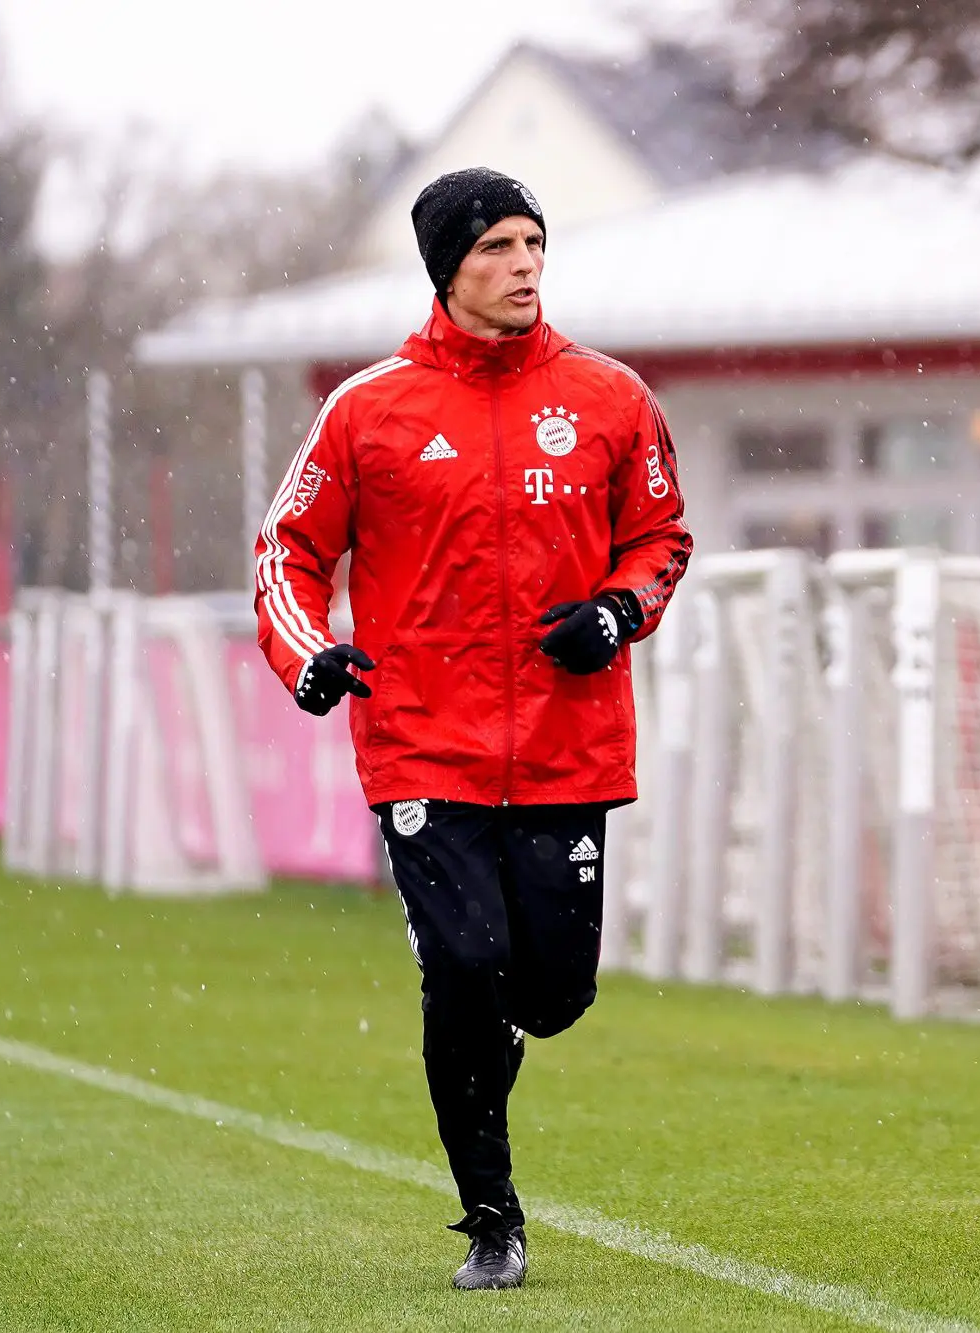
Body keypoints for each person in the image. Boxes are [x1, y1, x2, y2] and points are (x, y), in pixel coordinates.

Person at [253, 167, 692, 1290]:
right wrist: (309, 655)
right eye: (497, 246)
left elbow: (660, 537)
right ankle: (492, 1217)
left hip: (568, 747)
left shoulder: (610, 397)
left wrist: (616, 610)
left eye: (533, 242)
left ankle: (488, 1034)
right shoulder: (367, 409)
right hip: (421, 745)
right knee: (464, 963)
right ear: (447, 267)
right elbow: (287, 550)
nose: (524, 264)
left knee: (551, 995)